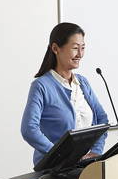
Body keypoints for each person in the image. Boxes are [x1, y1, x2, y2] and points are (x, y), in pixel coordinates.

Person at [21, 22, 108, 166]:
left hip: (84, 167)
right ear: (55, 48)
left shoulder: (82, 83)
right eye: (75, 48)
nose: (80, 54)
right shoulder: (41, 86)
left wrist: (96, 152)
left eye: (83, 48)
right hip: (53, 169)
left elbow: (101, 118)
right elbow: (28, 129)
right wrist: (58, 156)